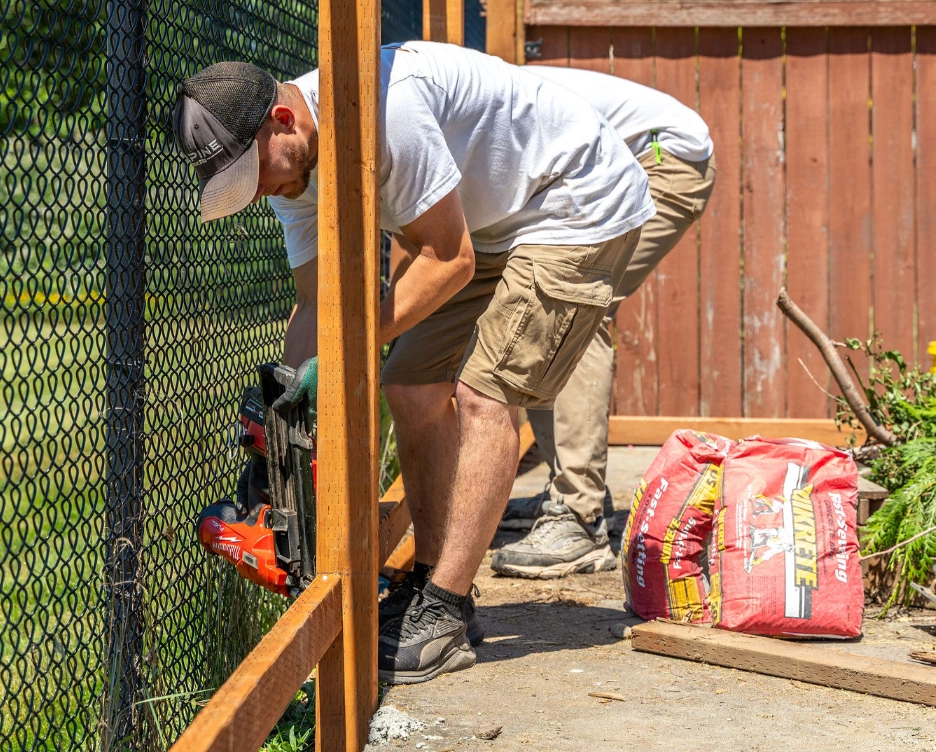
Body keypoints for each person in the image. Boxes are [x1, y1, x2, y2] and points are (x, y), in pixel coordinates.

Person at [171, 43, 654, 684]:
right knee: (410, 385)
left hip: (572, 200)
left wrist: (341, 354)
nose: (259, 191)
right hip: (491, 225)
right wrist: (279, 422)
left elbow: (447, 260)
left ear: (282, 120)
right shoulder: (291, 172)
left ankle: (445, 611)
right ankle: (430, 581)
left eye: (254, 173)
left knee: (485, 395)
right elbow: (317, 306)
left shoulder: (384, 107)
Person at [490, 65, 715, 579]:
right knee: (546, 308)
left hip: (663, 158)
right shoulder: (462, 110)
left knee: (575, 307)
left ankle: (578, 516)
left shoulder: (475, 115)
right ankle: (569, 491)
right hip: (621, 161)